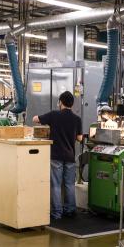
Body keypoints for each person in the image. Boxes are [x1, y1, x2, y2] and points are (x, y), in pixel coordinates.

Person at [33, 91, 83, 220]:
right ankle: (70, 210)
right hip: (70, 156)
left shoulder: (54, 115)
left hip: (56, 156)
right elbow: (80, 138)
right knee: (69, 184)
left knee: (56, 184)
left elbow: (35, 119)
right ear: (72, 104)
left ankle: (57, 213)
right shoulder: (77, 119)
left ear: (60, 102)